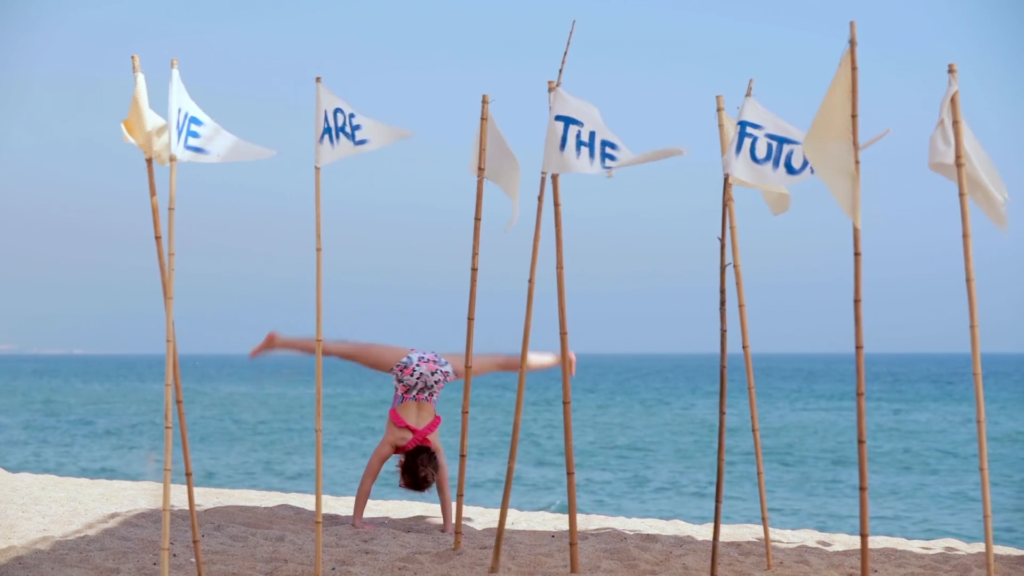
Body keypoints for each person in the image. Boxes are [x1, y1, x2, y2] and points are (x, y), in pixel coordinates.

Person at [249, 331, 576, 532]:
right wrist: (357, 521)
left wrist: (450, 526)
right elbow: (367, 481)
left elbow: (447, 491)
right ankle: (280, 341)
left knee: (503, 362)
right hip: (405, 368)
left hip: (438, 370)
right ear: (401, 465)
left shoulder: (433, 446)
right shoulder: (393, 441)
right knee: (342, 350)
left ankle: (559, 358)